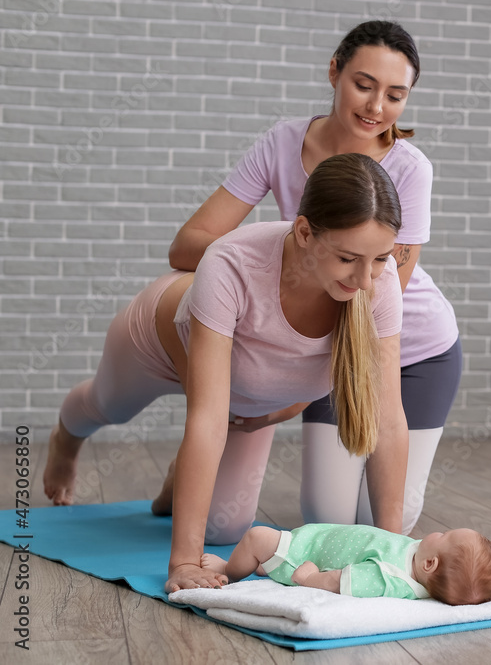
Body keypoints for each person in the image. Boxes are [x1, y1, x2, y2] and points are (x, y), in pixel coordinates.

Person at [42, 154, 409, 592]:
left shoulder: (376, 289)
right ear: (305, 232)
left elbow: (387, 420)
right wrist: (182, 563)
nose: (367, 280)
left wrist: (394, 552)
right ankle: (65, 438)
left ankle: (181, 476)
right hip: (158, 344)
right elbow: (207, 417)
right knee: (106, 406)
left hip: (245, 398)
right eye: (349, 258)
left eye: (381, 259)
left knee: (225, 526)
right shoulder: (232, 261)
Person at [167, 20, 460, 536]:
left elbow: (382, 288)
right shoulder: (283, 144)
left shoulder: (411, 169)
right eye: (364, 85)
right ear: (334, 72)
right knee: (326, 517)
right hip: (328, 345)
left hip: (409, 348)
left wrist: (292, 400)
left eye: (395, 95)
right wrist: (263, 255)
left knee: (388, 522)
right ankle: (182, 477)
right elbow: (189, 244)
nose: (375, 107)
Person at [201, 523, 491, 606]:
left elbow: (344, 581)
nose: (439, 531)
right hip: (318, 537)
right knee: (267, 545)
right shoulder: (418, 560)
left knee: (257, 537)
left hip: (306, 555)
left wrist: (309, 578)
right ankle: (265, 564)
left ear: (429, 564)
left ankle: (228, 569)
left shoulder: (391, 578)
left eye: (445, 534)